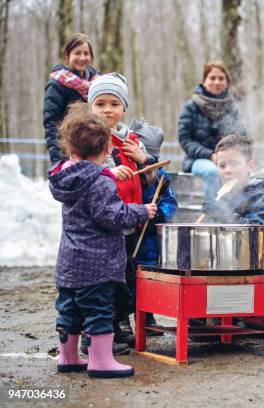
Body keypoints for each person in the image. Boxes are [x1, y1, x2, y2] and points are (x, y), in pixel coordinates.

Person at [48, 103, 156, 378]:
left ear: (72, 149)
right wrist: (141, 210)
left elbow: (93, 198)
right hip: (96, 265)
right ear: (107, 150)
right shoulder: (99, 181)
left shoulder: (67, 176)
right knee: (99, 312)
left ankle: (69, 356)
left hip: (69, 264)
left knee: (69, 311)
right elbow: (113, 215)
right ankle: (100, 360)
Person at [87, 73, 154, 349]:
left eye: (114, 104)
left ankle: (118, 325)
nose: (107, 110)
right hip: (102, 225)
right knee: (103, 280)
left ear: (124, 107)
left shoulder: (132, 140)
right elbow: (81, 176)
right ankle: (98, 332)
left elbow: (149, 179)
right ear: (91, 107)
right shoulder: (87, 139)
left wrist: (145, 159)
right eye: (100, 103)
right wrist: (109, 172)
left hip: (128, 220)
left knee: (124, 276)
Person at [205, 135, 264, 272]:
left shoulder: (261, 195)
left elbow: (251, 233)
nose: (228, 170)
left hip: (259, 266)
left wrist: (222, 212)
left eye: (234, 163)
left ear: (250, 166)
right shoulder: (223, 196)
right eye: (222, 166)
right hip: (227, 263)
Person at [131, 118, 178, 334]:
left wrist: (159, 214)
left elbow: (170, 203)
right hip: (129, 232)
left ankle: (147, 316)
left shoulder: (160, 177)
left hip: (150, 236)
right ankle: (122, 319)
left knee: (149, 275)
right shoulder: (127, 174)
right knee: (128, 277)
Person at [178, 61, 246, 207]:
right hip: (198, 159)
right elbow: (185, 140)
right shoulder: (191, 107)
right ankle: (212, 215)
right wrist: (210, 155)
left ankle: (238, 215)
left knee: (243, 170)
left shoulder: (232, 108)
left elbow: (241, 136)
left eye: (221, 78)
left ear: (227, 82)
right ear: (204, 81)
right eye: (212, 78)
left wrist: (230, 155)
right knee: (213, 171)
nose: (217, 82)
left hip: (227, 158)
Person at [44, 33, 99, 165]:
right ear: (67, 55)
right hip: (68, 153)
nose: (82, 57)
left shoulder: (97, 82)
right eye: (77, 53)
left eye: (86, 53)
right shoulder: (56, 83)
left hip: (95, 151)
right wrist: (58, 160)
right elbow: (51, 123)